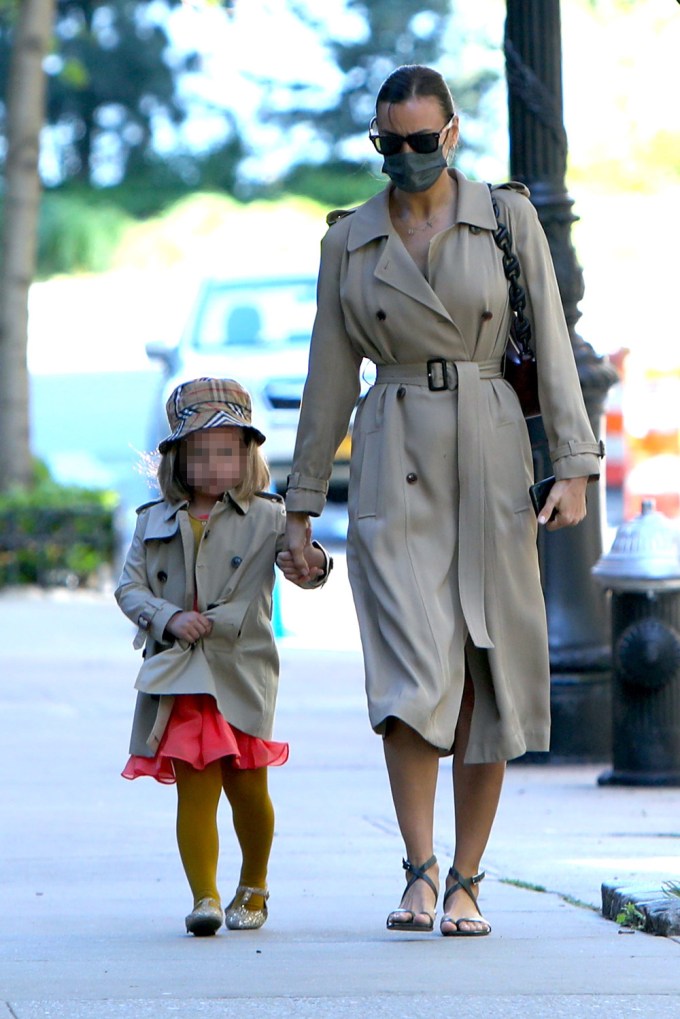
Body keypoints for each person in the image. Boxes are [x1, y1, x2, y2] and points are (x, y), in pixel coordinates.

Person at [284, 65, 603, 937]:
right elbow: (324, 377)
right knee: (408, 674)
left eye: (424, 143)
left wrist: (573, 465)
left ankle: (468, 875)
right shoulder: (347, 239)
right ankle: (418, 869)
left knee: (485, 676)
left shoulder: (506, 217)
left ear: (452, 135)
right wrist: (300, 503)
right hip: (392, 455)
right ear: (377, 141)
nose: (409, 159)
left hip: (491, 450)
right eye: (391, 145)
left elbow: (556, 340)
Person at [115, 377, 332, 937]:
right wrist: (166, 617)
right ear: (177, 459)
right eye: (201, 452)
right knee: (196, 783)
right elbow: (130, 589)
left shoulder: (267, 515)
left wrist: (310, 565)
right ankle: (205, 896)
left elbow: (305, 560)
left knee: (249, 787)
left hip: (240, 666)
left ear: (248, 455)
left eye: (227, 450)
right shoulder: (154, 520)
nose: (214, 464)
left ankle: (253, 884)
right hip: (181, 673)